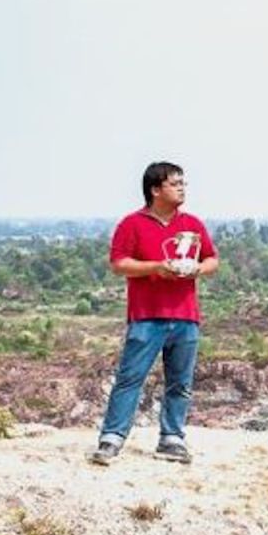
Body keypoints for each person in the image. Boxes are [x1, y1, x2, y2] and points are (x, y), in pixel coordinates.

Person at [89, 161, 219, 465]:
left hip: (186, 316)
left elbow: (212, 259)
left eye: (183, 183)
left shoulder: (193, 224)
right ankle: (112, 438)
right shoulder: (132, 224)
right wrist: (156, 268)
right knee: (130, 378)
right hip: (147, 316)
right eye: (175, 184)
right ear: (155, 189)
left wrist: (198, 269)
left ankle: (172, 439)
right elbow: (119, 263)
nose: (182, 189)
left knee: (180, 383)